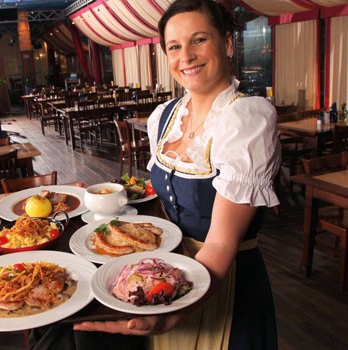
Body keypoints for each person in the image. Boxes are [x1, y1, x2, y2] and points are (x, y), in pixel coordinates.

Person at [73, 0, 280, 349]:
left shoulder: (247, 119)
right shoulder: (164, 117)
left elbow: (219, 243)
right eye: (174, 46)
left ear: (227, 43)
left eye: (199, 40)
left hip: (221, 282)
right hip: (166, 275)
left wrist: (175, 309)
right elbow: (164, 202)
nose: (186, 56)